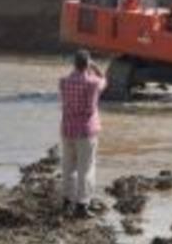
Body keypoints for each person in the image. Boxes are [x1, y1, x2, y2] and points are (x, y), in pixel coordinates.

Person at [59, 49, 107, 219]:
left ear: (74, 64)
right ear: (87, 64)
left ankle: (66, 202)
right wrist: (94, 66)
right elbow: (104, 80)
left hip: (67, 129)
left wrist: (84, 66)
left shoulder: (63, 82)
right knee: (86, 169)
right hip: (87, 131)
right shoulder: (93, 83)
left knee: (68, 167)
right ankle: (82, 205)